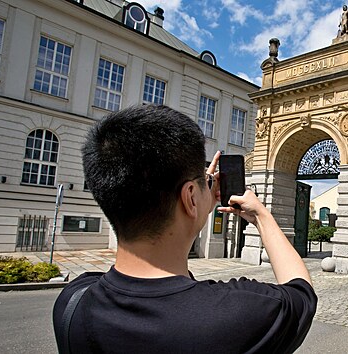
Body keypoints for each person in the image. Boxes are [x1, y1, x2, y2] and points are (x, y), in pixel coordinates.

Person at [52, 105, 317, 353]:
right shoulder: (238, 314)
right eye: (203, 181)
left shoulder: (73, 301)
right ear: (189, 197)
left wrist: (196, 197)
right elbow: (301, 292)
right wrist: (261, 216)